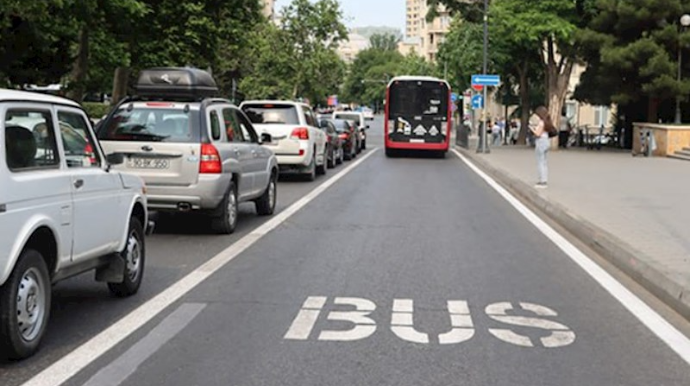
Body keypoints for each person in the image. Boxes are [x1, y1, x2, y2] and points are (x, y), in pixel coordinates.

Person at [530, 106, 555, 188]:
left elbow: (538, 134)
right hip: (546, 141)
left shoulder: (541, 122)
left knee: (540, 162)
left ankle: (542, 181)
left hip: (541, 142)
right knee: (544, 162)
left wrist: (532, 129)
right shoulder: (547, 122)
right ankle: (544, 179)